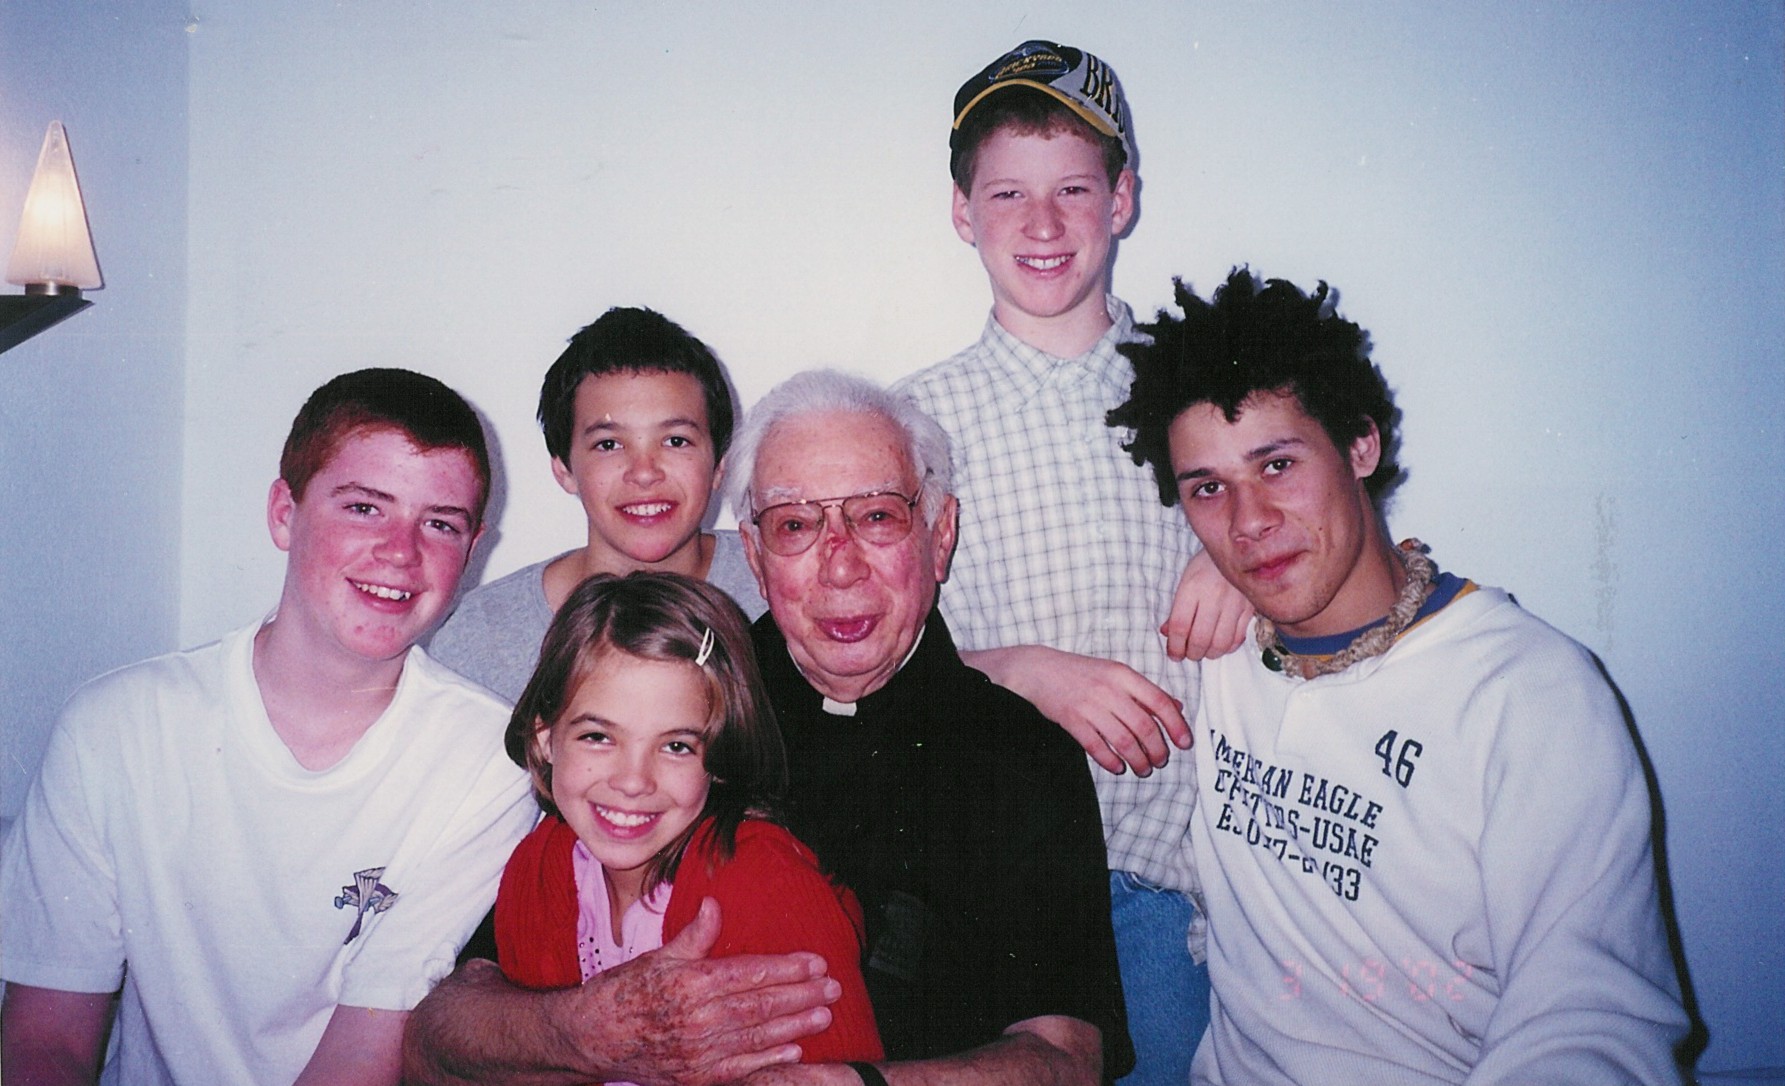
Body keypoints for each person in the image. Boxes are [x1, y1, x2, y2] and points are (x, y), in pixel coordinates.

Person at [403, 370, 1131, 1086]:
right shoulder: (686, 705)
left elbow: (1067, 1057)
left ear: (939, 537)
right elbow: (443, 1027)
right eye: (795, 526)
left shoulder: (1019, 753)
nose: (839, 566)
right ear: (752, 554)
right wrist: (586, 1030)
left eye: (877, 516)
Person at [1107, 268, 1691, 1084]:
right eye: (1209, 488)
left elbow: (1589, 1023)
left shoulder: (1526, 693)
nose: (1248, 522)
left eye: (1276, 466)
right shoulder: (1215, 662)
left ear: (1360, 445)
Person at [0, 369, 538, 1085]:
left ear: (471, 550)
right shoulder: (115, 729)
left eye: (440, 523)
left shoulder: (488, 762)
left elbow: (360, 1062)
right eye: (364, 508)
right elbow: (46, 1039)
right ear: (285, 513)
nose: (401, 551)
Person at [893, 40, 1246, 1083]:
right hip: (999, 892)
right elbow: (863, 666)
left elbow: (1335, 546)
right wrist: (1015, 671)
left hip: (1186, 888)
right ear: (963, 212)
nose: (1041, 224)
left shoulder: (1207, 392)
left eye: (1074, 190)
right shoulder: (910, 422)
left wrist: (1239, 552)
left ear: (1121, 199)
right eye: (1007, 192)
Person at [494, 570, 881, 1070]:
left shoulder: (763, 883)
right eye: (598, 737)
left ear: (719, 758)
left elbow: (837, 1068)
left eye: (676, 746)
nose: (633, 781)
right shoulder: (538, 867)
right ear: (545, 738)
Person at [430, 306, 764, 702]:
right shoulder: (486, 638)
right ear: (564, 469)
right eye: (609, 445)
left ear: (719, 464)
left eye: (676, 441)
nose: (644, 473)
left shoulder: (775, 583)